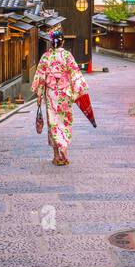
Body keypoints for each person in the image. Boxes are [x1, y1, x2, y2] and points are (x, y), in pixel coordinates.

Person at [32, 30, 89, 166]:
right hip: (65, 94)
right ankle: (64, 148)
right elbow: (75, 74)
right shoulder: (67, 56)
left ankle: (56, 156)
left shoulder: (46, 57)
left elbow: (40, 77)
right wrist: (76, 92)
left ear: (51, 43)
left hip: (51, 94)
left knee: (53, 123)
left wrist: (39, 94)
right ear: (62, 41)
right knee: (65, 122)